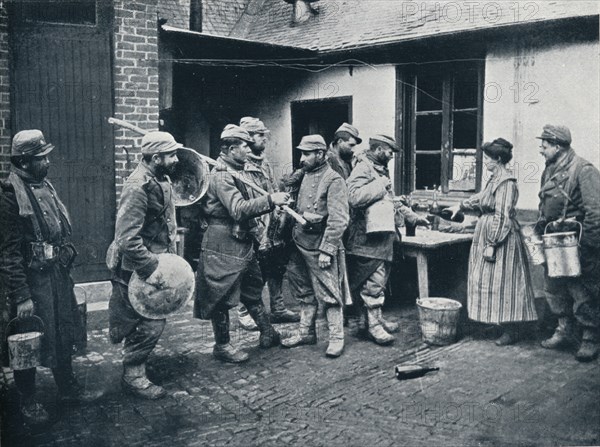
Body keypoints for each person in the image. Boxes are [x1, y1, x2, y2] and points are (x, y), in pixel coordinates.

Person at [0, 130, 95, 425]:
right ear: (25, 162)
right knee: (26, 339)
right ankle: (27, 399)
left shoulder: (44, 185)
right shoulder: (8, 197)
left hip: (56, 275)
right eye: (42, 158)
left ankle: (67, 388)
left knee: (64, 332)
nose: (48, 162)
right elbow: (8, 254)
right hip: (32, 282)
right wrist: (22, 296)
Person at [194, 125, 291, 363]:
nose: (248, 150)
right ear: (229, 149)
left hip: (242, 241)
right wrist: (270, 200)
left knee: (252, 286)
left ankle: (268, 331)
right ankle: (223, 345)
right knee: (221, 294)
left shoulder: (237, 171)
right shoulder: (221, 176)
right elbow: (237, 210)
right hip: (222, 243)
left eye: (249, 144)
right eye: (244, 146)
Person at [107, 131, 181, 399]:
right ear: (156, 157)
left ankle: (135, 366)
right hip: (136, 268)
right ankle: (133, 375)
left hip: (153, 261)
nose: (175, 159)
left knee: (149, 319)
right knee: (148, 322)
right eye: (171, 155)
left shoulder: (159, 178)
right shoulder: (137, 186)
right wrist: (151, 269)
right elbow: (127, 239)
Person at [446, 138, 538, 345]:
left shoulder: (506, 183)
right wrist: (460, 206)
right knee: (489, 282)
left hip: (502, 240)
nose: (484, 161)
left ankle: (512, 329)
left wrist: (492, 243)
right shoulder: (493, 180)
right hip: (488, 233)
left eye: (487, 158)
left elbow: (502, 216)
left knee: (505, 283)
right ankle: (498, 325)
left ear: (497, 159)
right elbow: (480, 198)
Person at [346, 135, 429, 345]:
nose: (392, 156)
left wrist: (413, 217)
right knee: (373, 283)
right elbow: (353, 197)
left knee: (379, 282)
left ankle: (375, 320)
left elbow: (390, 200)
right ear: (379, 149)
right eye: (389, 151)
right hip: (365, 239)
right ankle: (372, 326)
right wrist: (380, 185)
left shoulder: (379, 169)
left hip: (381, 237)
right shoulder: (363, 168)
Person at [533, 125, 600, 361]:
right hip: (554, 241)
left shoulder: (584, 170)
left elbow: (596, 213)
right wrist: (538, 232)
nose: (541, 149)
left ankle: (591, 338)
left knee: (582, 292)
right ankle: (564, 329)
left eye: (545, 144)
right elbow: (544, 205)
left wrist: (587, 247)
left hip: (577, 243)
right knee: (553, 288)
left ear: (558, 146)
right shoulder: (550, 169)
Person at [281, 135, 349, 357]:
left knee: (329, 293)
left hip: (320, 247)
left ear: (320, 154)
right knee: (303, 290)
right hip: (298, 242)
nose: (302, 158)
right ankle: (306, 333)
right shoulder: (303, 176)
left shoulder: (333, 179)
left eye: (306, 154)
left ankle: (337, 338)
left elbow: (339, 219)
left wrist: (327, 250)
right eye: (301, 153)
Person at [236, 117, 299, 330]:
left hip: (273, 226)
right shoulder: (241, 167)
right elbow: (245, 203)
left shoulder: (263, 162)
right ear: (248, 137)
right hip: (255, 227)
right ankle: (244, 311)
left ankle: (278, 307)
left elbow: (271, 190)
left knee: (276, 267)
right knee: (254, 272)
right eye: (260, 135)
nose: (265, 139)